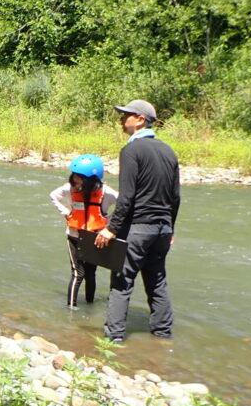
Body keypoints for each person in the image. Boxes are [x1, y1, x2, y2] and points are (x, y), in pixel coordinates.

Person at [95, 100, 181, 343]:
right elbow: (175, 197)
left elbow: (127, 197)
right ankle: (163, 337)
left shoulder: (131, 151)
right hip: (162, 229)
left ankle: (113, 341)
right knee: (157, 281)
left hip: (138, 229)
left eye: (126, 116)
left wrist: (111, 229)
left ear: (141, 119)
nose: (122, 120)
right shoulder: (168, 151)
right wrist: (170, 228)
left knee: (122, 282)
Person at [49, 154, 118, 309]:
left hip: (94, 237)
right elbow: (53, 196)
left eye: (79, 177)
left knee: (90, 274)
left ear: (92, 179)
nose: (75, 180)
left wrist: (109, 221)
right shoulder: (70, 188)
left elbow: (124, 204)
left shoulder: (106, 192)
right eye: (74, 176)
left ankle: (89, 304)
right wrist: (66, 212)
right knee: (77, 273)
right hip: (74, 235)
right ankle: (71, 310)